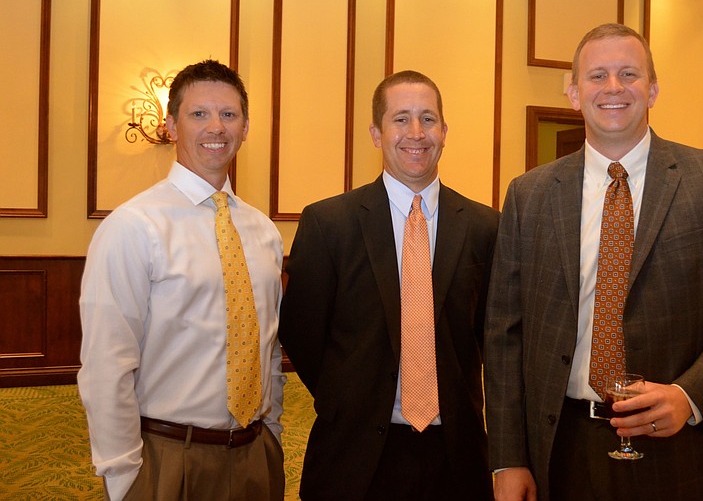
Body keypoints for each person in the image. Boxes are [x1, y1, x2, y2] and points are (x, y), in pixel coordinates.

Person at [484, 23, 703, 501]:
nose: (613, 87)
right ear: (572, 92)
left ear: (653, 89)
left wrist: (691, 396)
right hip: (561, 448)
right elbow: (505, 334)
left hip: (683, 449)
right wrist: (507, 458)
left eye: (629, 73)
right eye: (597, 75)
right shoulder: (530, 194)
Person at [280, 70, 499, 501]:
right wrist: (348, 397)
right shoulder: (329, 223)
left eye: (428, 119)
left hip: (456, 457)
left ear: (444, 131)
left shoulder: (484, 226)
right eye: (400, 119)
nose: (416, 133)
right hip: (355, 455)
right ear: (377, 133)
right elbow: (302, 333)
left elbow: (490, 337)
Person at [78, 59, 285, 500]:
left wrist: (274, 436)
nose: (216, 127)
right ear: (171, 125)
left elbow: (267, 347)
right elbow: (106, 365)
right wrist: (123, 476)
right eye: (199, 114)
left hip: (255, 456)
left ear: (246, 128)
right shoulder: (134, 226)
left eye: (229, 115)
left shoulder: (263, 231)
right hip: (167, 457)